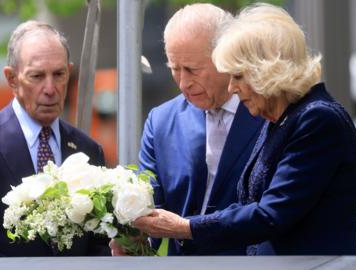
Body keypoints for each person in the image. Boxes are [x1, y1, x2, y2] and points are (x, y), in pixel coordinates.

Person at [132, 3, 356, 255]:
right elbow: (247, 206)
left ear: (267, 69)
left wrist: (186, 227)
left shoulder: (317, 119)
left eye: (238, 76)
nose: (231, 88)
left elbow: (271, 214)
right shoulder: (281, 119)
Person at [0, 20, 109, 257]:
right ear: (12, 79)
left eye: (59, 74)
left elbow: (98, 246)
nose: (50, 89)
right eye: (37, 76)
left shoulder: (88, 150)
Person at [111, 4, 263, 256]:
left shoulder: (267, 113)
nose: (183, 83)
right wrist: (135, 242)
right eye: (174, 68)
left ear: (226, 56)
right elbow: (149, 206)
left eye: (192, 69)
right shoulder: (161, 122)